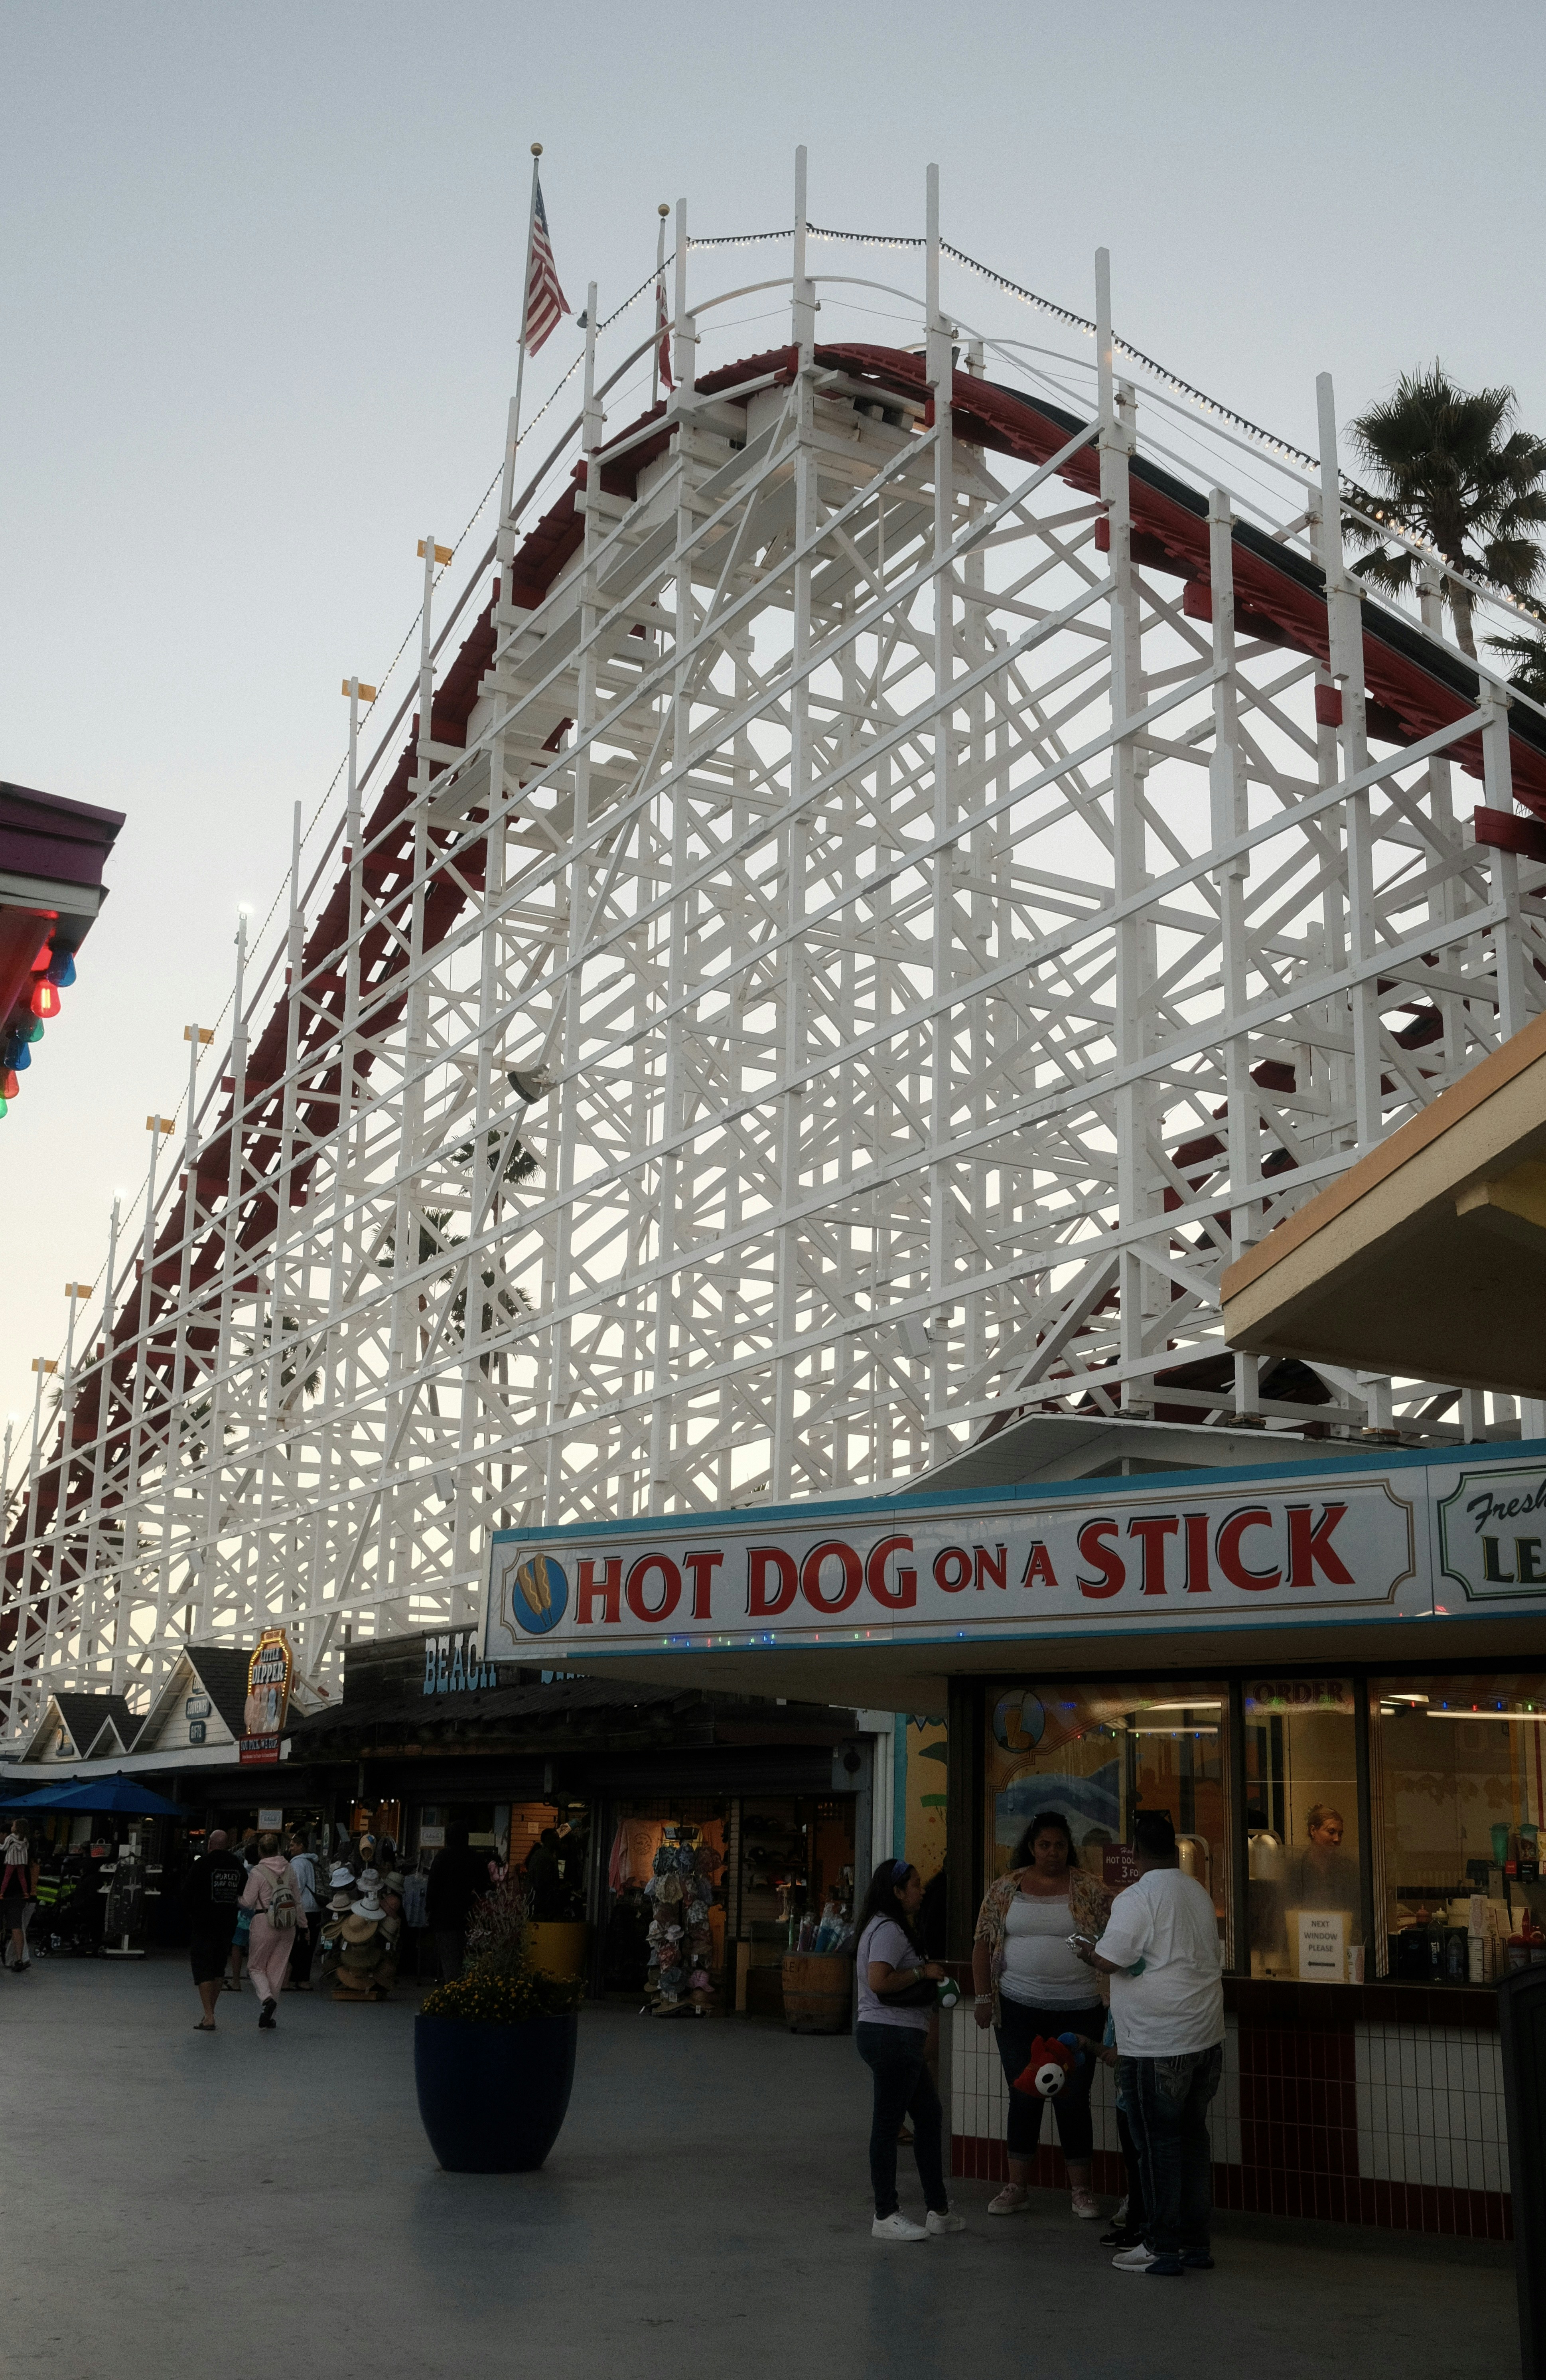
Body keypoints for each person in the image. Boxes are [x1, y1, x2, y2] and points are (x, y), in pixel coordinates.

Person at [1075, 1810, 1225, 2277]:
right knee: (1193, 2141)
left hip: (1158, 2042)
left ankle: (1160, 2246)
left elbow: (1111, 1958)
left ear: (1135, 1852)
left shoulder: (1137, 1897)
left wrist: (1086, 1950)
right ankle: (1195, 2244)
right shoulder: (1198, 1892)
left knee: (1157, 2144)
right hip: (1206, 2038)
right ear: (1175, 1848)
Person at [971, 1810, 1113, 2218]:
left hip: (1080, 2010)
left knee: (1072, 2098)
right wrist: (983, 1997)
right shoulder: (1006, 1887)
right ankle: (1017, 2186)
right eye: (1044, 1844)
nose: (1052, 1852)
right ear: (1031, 1847)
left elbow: (1120, 1935)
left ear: (1070, 1847)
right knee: (1024, 2094)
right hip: (1018, 2009)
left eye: (1060, 1845)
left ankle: (1082, 2191)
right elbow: (983, 1941)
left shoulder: (1090, 1888)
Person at [853, 1857, 964, 2243]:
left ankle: (939, 2209)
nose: (921, 1890)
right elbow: (879, 1980)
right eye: (914, 1885)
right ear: (897, 1892)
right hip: (891, 2036)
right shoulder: (888, 1931)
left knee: (929, 2116)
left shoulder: (890, 1928)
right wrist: (923, 1973)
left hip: (898, 2037)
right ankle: (885, 2213)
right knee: (887, 2124)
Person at [240, 1831, 308, 2029]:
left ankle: (267, 2000)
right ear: (279, 1849)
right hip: (288, 1925)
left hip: (264, 1922)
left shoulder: (258, 1872)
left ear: (260, 1851)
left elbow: (248, 1901)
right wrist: (304, 1927)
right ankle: (270, 2016)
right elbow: (298, 1901)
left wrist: (236, 1901)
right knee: (276, 1972)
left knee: (256, 1967)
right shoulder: (290, 1869)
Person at [183, 1829, 246, 2030]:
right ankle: (210, 2012)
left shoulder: (202, 1864)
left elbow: (187, 1892)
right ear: (227, 1844)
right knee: (219, 1968)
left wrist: (191, 1914)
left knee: (203, 1968)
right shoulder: (237, 1865)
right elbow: (245, 1891)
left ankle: (209, 2015)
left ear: (210, 1844)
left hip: (204, 1923)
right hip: (227, 1923)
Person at [426, 1822, 493, 1981]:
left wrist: (430, 1911)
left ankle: (452, 1992)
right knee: (468, 1959)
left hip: (444, 1917)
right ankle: (466, 1991)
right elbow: (484, 1886)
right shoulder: (475, 1858)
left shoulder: (442, 1858)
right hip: (470, 1916)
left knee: (449, 1960)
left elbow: (433, 1888)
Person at [284, 1831, 322, 1990]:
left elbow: (296, 1887)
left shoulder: (298, 1864)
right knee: (309, 1946)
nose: (290, 1848)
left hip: (303, 1908)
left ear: (301, 1846)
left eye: (293, 1845)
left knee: (297, 1946)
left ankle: (295, 1978)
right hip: (315, 1907)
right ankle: (304, 1979)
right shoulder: (312, 1862)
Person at [0, 1823, 35, 1971]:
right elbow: (26, 1875)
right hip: (18, 1896)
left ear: (4, 1834)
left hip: (2, 1896)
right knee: (16, 1927)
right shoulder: (26, 1849)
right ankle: (19, 1960)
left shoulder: (4, 1851)